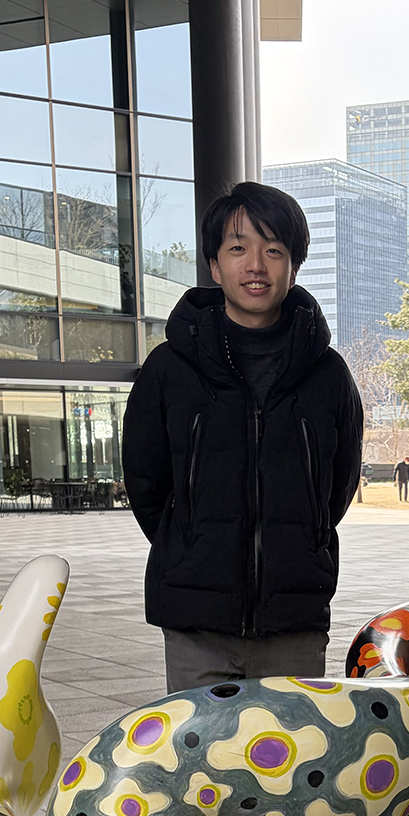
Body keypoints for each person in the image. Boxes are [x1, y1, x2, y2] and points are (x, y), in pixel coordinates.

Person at [123, 182, 363, 692]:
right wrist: (190, 543)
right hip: (196, 620)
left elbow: (337, 486)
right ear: (214, 266)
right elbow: (146, 481)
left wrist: (305, 541)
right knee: (200, 742)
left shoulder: (327, 373)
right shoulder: (169, 369)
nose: (256, 265)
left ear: (293, 267)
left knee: (292, 744)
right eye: (238, 248)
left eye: (273, 250)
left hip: (294, 617)